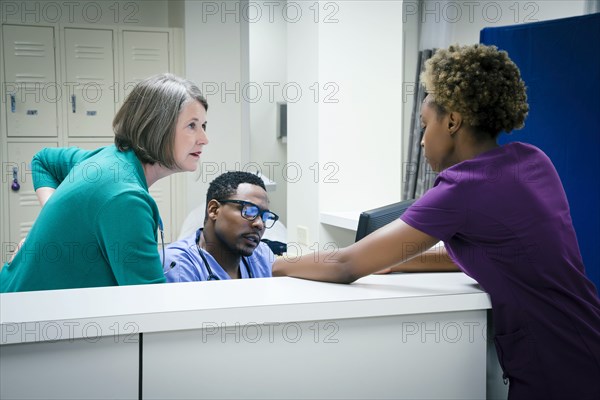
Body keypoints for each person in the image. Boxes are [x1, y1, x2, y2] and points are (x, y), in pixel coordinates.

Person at [273, 44, 600, 399]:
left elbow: (346, 264)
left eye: (425, 126)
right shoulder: (533, 161)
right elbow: (499, 252)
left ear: (453, 121)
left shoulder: (461, 188)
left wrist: (275, 262)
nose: (423, 141)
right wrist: (395, 262)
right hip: (587, 336)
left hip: (557, 368)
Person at [0, 73, 209, 292]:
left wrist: (57, 221)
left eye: (204, 125)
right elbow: (150, 302)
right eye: (192, 126)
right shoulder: (125, 198)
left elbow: (44, 160)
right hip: (21, 316)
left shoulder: (107, 159)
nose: (204, 138)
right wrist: (51, 217)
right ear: (157, 127)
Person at [163, 171, 277, 282]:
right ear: (214, 210)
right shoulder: (178, 264)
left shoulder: (262, 255)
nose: (260, 224)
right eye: (249, 211)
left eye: (265, 217)